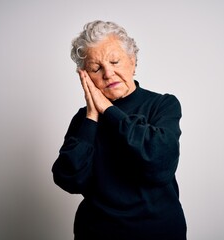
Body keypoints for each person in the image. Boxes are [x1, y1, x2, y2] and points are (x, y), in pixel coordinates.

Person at [52, 20, 187, 240]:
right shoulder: (83, 120)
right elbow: (69, 179)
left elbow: (159, 161)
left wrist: (107, 109)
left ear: (133, 61)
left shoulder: (163, 105)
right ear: (85, 77)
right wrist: (92, 117)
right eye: (96, 68)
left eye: (115, 61)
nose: (108, 73)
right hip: (96, 233)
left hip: (157, 232)